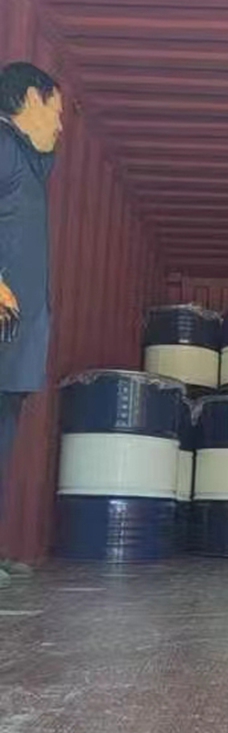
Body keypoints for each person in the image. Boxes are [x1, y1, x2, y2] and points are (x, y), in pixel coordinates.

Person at [0, 62, 62, 513]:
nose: (61, 125)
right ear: (32, 98)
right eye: (57, 112)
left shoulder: (26, 162)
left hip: (12, 346)